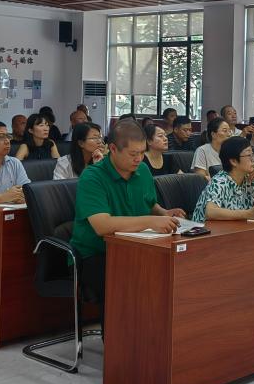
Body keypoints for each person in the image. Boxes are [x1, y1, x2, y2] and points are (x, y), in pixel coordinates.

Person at [70, 119, 186, 304]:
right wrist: (150, 221)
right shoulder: (92, 177)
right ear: (113, 149)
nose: (139, 159)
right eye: (133, 154)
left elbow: (149, 203)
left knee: (175, 273)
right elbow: (102, 225)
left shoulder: (143, 170)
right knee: (132, 284)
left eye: (142, 152)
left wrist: (164, 213)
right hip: (97, 254)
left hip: (137, 247)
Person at [192, 136, 254, 222]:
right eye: (249, 155)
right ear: (233, 161)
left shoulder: (248, 178)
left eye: (253, 154)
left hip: (234, 227)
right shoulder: (219, 181)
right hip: (206, 229)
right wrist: (246, 214)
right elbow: (210, 212)